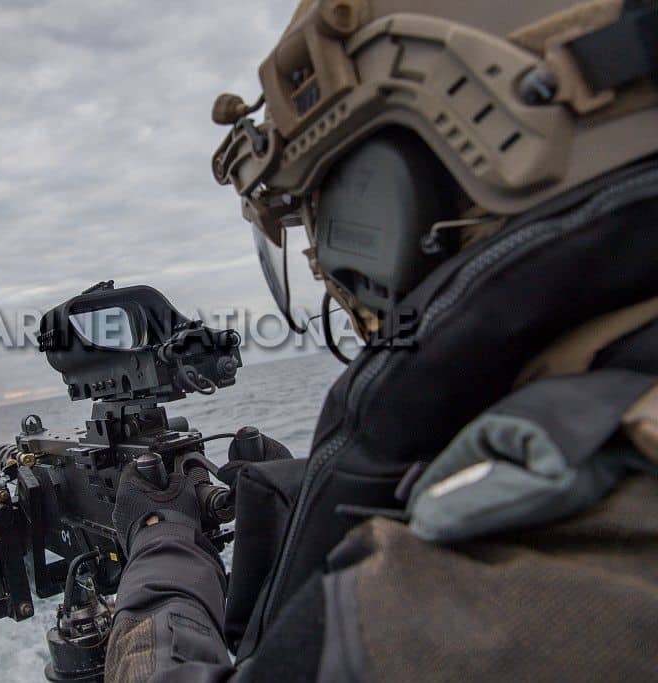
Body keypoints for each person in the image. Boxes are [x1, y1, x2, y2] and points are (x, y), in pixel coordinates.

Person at [105, 1, 658, 680]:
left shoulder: (500, 603)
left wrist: (160, 560)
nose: (326, 270)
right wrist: (308, 509)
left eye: (324, 214)